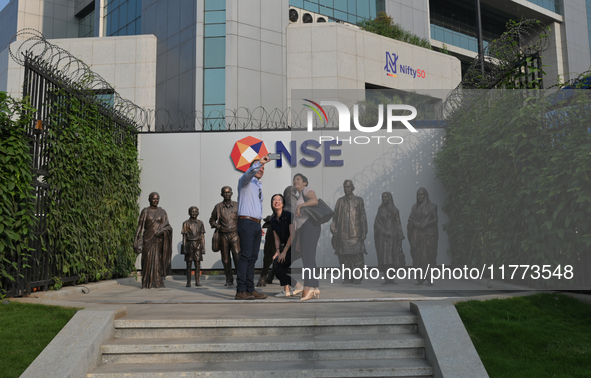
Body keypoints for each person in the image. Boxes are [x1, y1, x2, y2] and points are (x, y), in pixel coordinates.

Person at [235, 156, 271, 300]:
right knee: (245, 256)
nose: (261, 169)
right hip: (246, 222)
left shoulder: (258, 186)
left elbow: (258, 206)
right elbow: (250, 172)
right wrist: (260, 162)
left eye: (263, 168)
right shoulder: (245, 181)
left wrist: (259, 224)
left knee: (253, 258)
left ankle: (250, 289)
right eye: (259, 167)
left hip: (255, 224)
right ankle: (240, 290)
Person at [331, 180, 368, 285]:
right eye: (345, 187)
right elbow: (335, 217)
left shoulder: (359, 200)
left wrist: (364, 231)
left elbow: (363, 217)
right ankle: (347, 278)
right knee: (344, 260)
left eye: (348, 187)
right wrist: (333, 227)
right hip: (342, 235)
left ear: (353, 188)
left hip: (355, 234)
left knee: (357, 259)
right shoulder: (340, 201)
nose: (347, 189)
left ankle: (358, 278)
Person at [134, 192, 173, 289]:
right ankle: (147, 283)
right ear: (149, 199)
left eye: (157, 199)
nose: (155, 201)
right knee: (147, 261)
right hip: (148, 240)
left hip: (158, 241)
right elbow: (140, 226)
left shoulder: (162, 212)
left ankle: (157, 282)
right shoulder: (145, 211)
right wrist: (136, 237)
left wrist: (162, 231)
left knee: (157, 261)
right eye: (153, 199)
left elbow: (168, 226)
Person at [293, 173, 321, 301]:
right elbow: (298, 222)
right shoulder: (299, 195)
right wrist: (298, 240)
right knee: (309, 258)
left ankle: (308, 287)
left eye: (298, 179)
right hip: (304, 229)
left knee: (308, 259)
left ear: (305, 182)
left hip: (310, 226)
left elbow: (314, 200)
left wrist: (300, 205)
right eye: (294, 180)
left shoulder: (306, 190)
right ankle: (315, 288)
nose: (295, 181)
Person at [269, 193, 302, 297]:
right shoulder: (273, 220)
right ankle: (288, 290)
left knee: (278, 265)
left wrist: (284, 252)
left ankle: (296, 287)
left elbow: (292, 235)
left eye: (279, 200)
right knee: (279, 268)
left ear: (283, 203)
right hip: (285, 248)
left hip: (295, 246)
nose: (277, 201)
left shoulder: (289, 215)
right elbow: (277, 238)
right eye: (274, 200)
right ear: (272, 203)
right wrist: (278, 251)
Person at [209, 186, 240, 287]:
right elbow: (212, 220)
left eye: (228, 192)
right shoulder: (218, 207)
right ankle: (229, 279)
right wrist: (216, 225)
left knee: (237, 256)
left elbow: (242, 219)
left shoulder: (237, 205)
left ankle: (240, 278)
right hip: (223, 235)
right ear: (222, 194)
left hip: (235, 235)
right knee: (226, 259)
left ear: (231, 193)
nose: (227, 194)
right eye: (225, 193)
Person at [407, 187, 438, 286]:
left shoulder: (432, 206)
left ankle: (429, 278)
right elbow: (410, 220)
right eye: (418, 195)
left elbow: (435, 220)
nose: (420, 196)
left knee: (428, 257)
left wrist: (426, 224)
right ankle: (420, 279)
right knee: (417, 257)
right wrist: (415, 224)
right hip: (417, 236)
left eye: (421, 194)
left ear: (426, 195)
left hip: (428, 235)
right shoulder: (414, 207)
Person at [374, 192, 405, 285]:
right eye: (383, 197)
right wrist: (383, 231)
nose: (384, 198)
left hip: (393, 237)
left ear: (390, 198)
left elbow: (398, 223)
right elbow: (377, 224)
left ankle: (392, 278)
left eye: (386, 197)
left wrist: (400, 237)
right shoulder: (380, 210)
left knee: (393, 258)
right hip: (383, 238)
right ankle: (386, 278)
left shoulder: (395, 210)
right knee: (385, 259)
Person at [182, 206, 206, 287]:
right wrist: (184, 247)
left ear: (198, 213)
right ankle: (188, 282)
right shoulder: (186, 223)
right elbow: (184, 237)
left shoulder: (200, 223)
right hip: (189, 244)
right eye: (192, 211)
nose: (194, 213)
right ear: (189, 213)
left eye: (196, 211)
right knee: (188, 264)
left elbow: (202, 236)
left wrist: (203, 247)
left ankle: (197, 281)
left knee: (197, 264)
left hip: (198, 245)